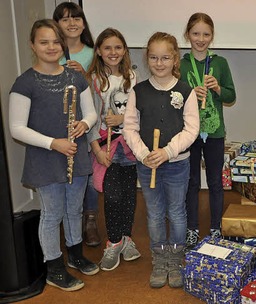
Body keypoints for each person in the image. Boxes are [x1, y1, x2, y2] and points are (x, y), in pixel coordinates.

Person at [9, 19, 98, 291]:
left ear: (63, 44)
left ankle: (75, 255)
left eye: (56, 41)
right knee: (52, 213)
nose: (51, 47)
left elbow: (92, 112)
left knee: (75, 209)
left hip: (76, 154)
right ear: (32, 45)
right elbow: (17, 128)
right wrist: (53, 143)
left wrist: (85, 123)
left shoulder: (75, 77)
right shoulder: (25, 82)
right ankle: (54, 268)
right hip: (47, 158)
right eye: (43, 42)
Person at [123, 32, 199, 288]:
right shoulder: (139, 91)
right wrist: (144, 154)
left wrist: (168, 151)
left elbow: (191, 129)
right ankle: (159, 257)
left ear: (174, 58)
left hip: (178, 163)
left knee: (177, 212)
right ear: (147, 58)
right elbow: (130, 128)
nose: (159, 63)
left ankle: (175, 258)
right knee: (155, 213)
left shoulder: (185, 91)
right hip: (147, 165)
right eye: (154, 57)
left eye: (165, 57)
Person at [86, 28, 141, 271]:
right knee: (112, 195)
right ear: (98, 51)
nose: (113, 52)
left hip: (128, 145)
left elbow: (139, 112)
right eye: (107, 47)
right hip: (103, 145)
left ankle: (126, 239)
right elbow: (85, 117)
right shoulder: (93, 80)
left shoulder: (132, 77)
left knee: (129, 195)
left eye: (118, 47)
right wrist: (96, 151)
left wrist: (122, 119)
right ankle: (114, 241)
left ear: (125, 51)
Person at [180, 12, 236, 248]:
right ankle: (192, 228)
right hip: (189, 132)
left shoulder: (220, 63)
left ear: (212, 36)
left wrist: (217, 89)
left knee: (215, 182)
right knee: (191, 182)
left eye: (206, 34)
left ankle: (215, 228)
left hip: (214, 132)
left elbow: (231, 96)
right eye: (195, 33)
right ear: (187, 35)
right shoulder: (180, 64)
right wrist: (191, 94)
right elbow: (174, 97)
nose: (200, 39)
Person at [53, 1, 101, 247]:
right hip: (60, 122)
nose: (72, 23)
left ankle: (90, 219)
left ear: (84, 22)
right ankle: (66, 220)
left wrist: (84, 75)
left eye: (77, 18)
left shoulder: (93, 53)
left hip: (88, 120)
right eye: (65, 19)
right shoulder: (52, 52)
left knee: (88, 172)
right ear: (57, 24)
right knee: (63, 170)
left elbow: (101, 89)